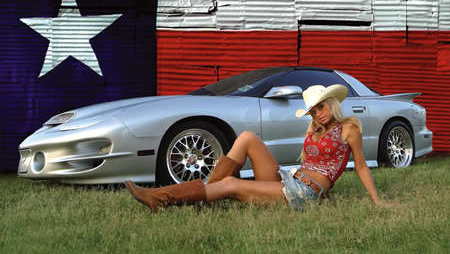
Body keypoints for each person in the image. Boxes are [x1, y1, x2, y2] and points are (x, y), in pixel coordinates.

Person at [125, 84, 391, 211]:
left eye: (321, 107)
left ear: (332, 103)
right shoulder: (315, 128)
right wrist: (314, 127)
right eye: (312, 111)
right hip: (290, 179)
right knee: (248, 137)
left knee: (231, 184)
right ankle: (205, 196)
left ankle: (161, 197)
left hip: (305, 194)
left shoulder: (348, 129)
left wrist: (378, 201)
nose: (318, 114)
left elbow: (360, 166)